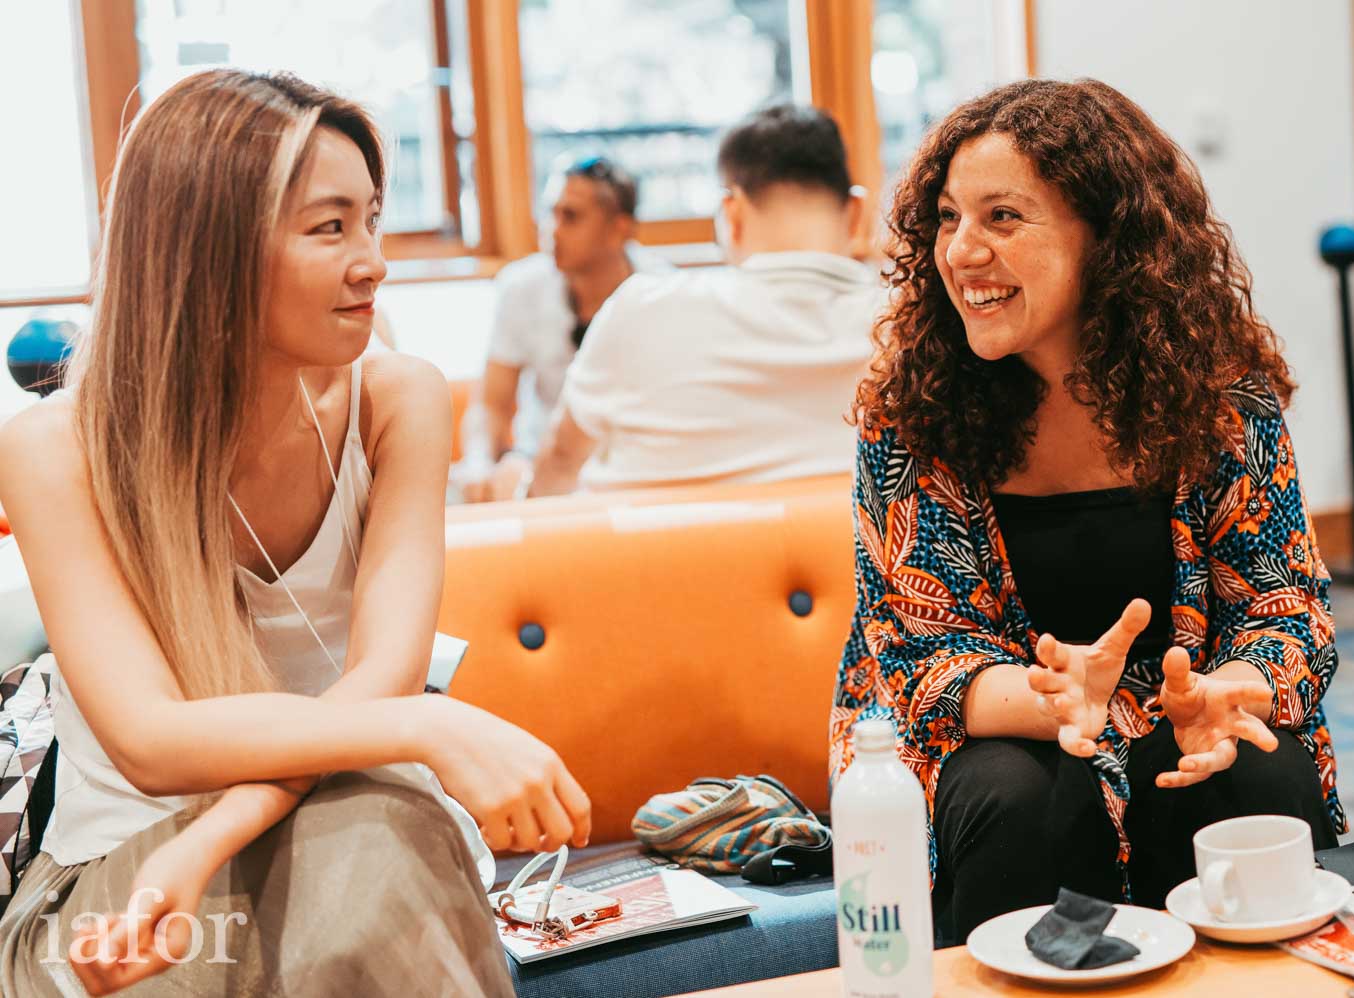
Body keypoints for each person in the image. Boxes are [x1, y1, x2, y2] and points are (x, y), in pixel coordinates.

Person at [0, 70, 590, 996]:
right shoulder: (55, 448)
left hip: (337, 829)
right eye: (329, 227)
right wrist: (424, 722)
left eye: (372, 221)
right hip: (122, 864)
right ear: (211, 248)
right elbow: (151, 740)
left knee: (380, 839)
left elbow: (382, 686)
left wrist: (211, 839)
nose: (373, 262)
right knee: (372, 853)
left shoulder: (398, 400)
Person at [828, 78, 1346, 942]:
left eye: (1002, 217)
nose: (961, 250)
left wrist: (1225, 693)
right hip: (990, 723)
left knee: (1253, 775)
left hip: (1175, 707)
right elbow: (918, 655)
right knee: (1015, 795)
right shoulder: (913, 412)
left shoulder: (1219, 399)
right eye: (949, 218)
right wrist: (1060, 701)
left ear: (1106, 236)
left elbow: (1284, 607)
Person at [527, 105, 883, 496]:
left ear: (732, 213)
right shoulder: (906, 326)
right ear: (856, 214)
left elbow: (559, 463)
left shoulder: (642, 308)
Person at [459, 157, 671, 502]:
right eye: (550, 213)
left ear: (619, 229)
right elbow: (491, 405)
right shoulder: (521, 287)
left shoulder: (662, 291)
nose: (552, 230)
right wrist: (478, 462)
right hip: (538, 463)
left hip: (631, 465)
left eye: (570, 217)